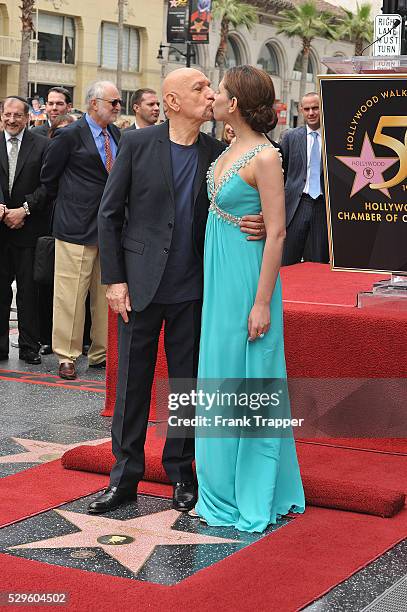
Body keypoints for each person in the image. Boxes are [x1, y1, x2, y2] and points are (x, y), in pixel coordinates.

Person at [90, 67, 265, 515]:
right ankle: (124, 477)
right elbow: (109, 215)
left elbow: (238, 204)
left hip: (195, 290)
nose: (210, 94)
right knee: (132, 386)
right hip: (139, 286)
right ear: (172, 102)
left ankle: (181, 473)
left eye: (211, 87)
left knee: (186, 385)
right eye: (200, 88)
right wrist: (115, 279)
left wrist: (258, 220)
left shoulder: (218, 153)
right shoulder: (137, 144)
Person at [194, 65, 305, 533]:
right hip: (218, 279)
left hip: (247, 279)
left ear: (235, 102)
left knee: (249, 380)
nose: (214, 97)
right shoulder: (225, 149)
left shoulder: (264, 156)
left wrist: (262, 303)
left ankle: (253, 488)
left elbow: (276, 231)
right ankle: (216, 486)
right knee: (218, 378)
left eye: (218, 91)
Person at [40, 81, 121, 380]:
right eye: (112, 102)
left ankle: (102, 353)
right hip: (75, 227)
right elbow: (49, 178)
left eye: (118, 102)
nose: (117, 107)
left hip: (109, 228)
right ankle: (67, 355)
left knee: (105, 294)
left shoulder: (115, 134)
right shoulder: (68, 134)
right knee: (70, 296)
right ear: (93, 104)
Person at [0, 96, 49, 364]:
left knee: (29, 292)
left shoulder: (42, 146)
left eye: (18, 115)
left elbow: (48, 185)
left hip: (29, 229)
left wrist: (25, 210)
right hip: (0, 230)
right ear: (1, 115)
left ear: (27, 117)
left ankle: (30, 346)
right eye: (8, 114)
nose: (12, 119)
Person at [280, 92, 329, 265]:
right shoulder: (290, 137)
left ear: (322, 108)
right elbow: (281, 173)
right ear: (301, 110)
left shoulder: (334, 137)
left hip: (323, 207)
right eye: (307, 109)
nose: (311, 113)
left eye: (315, 108)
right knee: (287, 260)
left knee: (319, 261)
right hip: (296, 205)